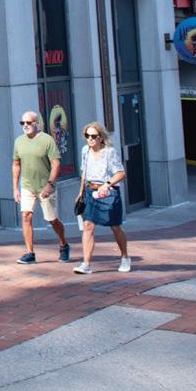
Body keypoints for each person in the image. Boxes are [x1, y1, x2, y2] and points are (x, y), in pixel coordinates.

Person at [74, 122, 132, 274]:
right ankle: (86, 264)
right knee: (87, 225)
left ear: (101, 137)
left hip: (108, 192)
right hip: (90, 191)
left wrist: (107, 184)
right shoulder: (85, 150)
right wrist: (80, 193)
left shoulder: (109, 152)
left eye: (94, 136)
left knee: (115, 226)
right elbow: (83, 173)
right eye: (87, 136)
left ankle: (125, 257)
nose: (90, 139)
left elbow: (121, 173)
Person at [12, 110, 69, 264]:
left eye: (28, 122)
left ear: (37, 123)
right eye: (22, 123)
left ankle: (63, 244)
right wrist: (15, 188)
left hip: (45, 186)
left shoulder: (47, 140)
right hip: (27, 186)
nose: (25, 125)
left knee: (52, 220)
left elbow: (56, 164)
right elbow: (16, 164)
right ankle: (30, 253)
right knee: (26, 216)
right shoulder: (19, 141)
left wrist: (49, 184)